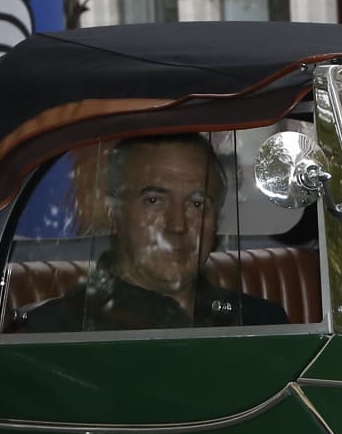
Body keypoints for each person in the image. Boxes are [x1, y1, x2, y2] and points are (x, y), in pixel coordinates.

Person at [17, 133, 288, 332]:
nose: (177, 225)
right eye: (154, 201)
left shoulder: (261, 322)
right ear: (114, 213)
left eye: (197, 203)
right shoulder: (56, 332)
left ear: (216, 220)